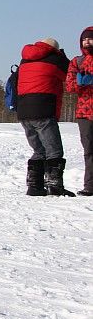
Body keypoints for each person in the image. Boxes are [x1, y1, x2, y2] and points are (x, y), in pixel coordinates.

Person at [17, 37, 73, 196]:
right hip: (43, 109)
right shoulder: (54, 59)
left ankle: (34, 186)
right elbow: (70, 74)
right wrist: (62, 57)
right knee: (54, 151)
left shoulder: (25, 60)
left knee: (39, 150)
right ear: (54, 49)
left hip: (24, 112)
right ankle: (54, 187)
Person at [65, 26, 93, 196]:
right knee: (89, 150)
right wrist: (80, 82)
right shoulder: (76, 61)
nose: (87, 42)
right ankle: (90, 185)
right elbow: (69, 86)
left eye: (90, 39)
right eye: (84, 39)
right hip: (84, 112)